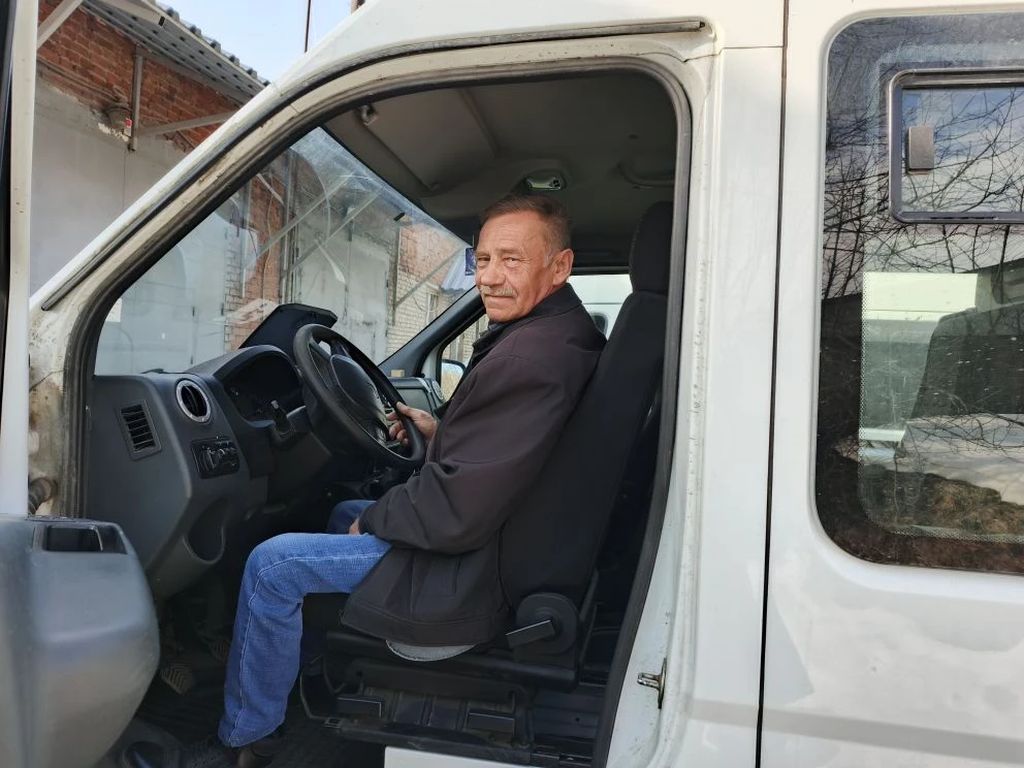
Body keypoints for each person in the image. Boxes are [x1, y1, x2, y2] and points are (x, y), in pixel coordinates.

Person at [189, 195, 605, 767]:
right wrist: (439, 432)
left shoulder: (528, 359)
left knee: (272, 565)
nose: (489, 277)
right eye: (483, 260)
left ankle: (246, 737)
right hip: (501, 542)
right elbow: (504, 455)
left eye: (511, 260)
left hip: (473, 575)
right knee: (341, 514)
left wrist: (378, 517)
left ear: (559, 267)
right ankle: (297, 665)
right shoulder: (557, 336)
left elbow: (460, 508)